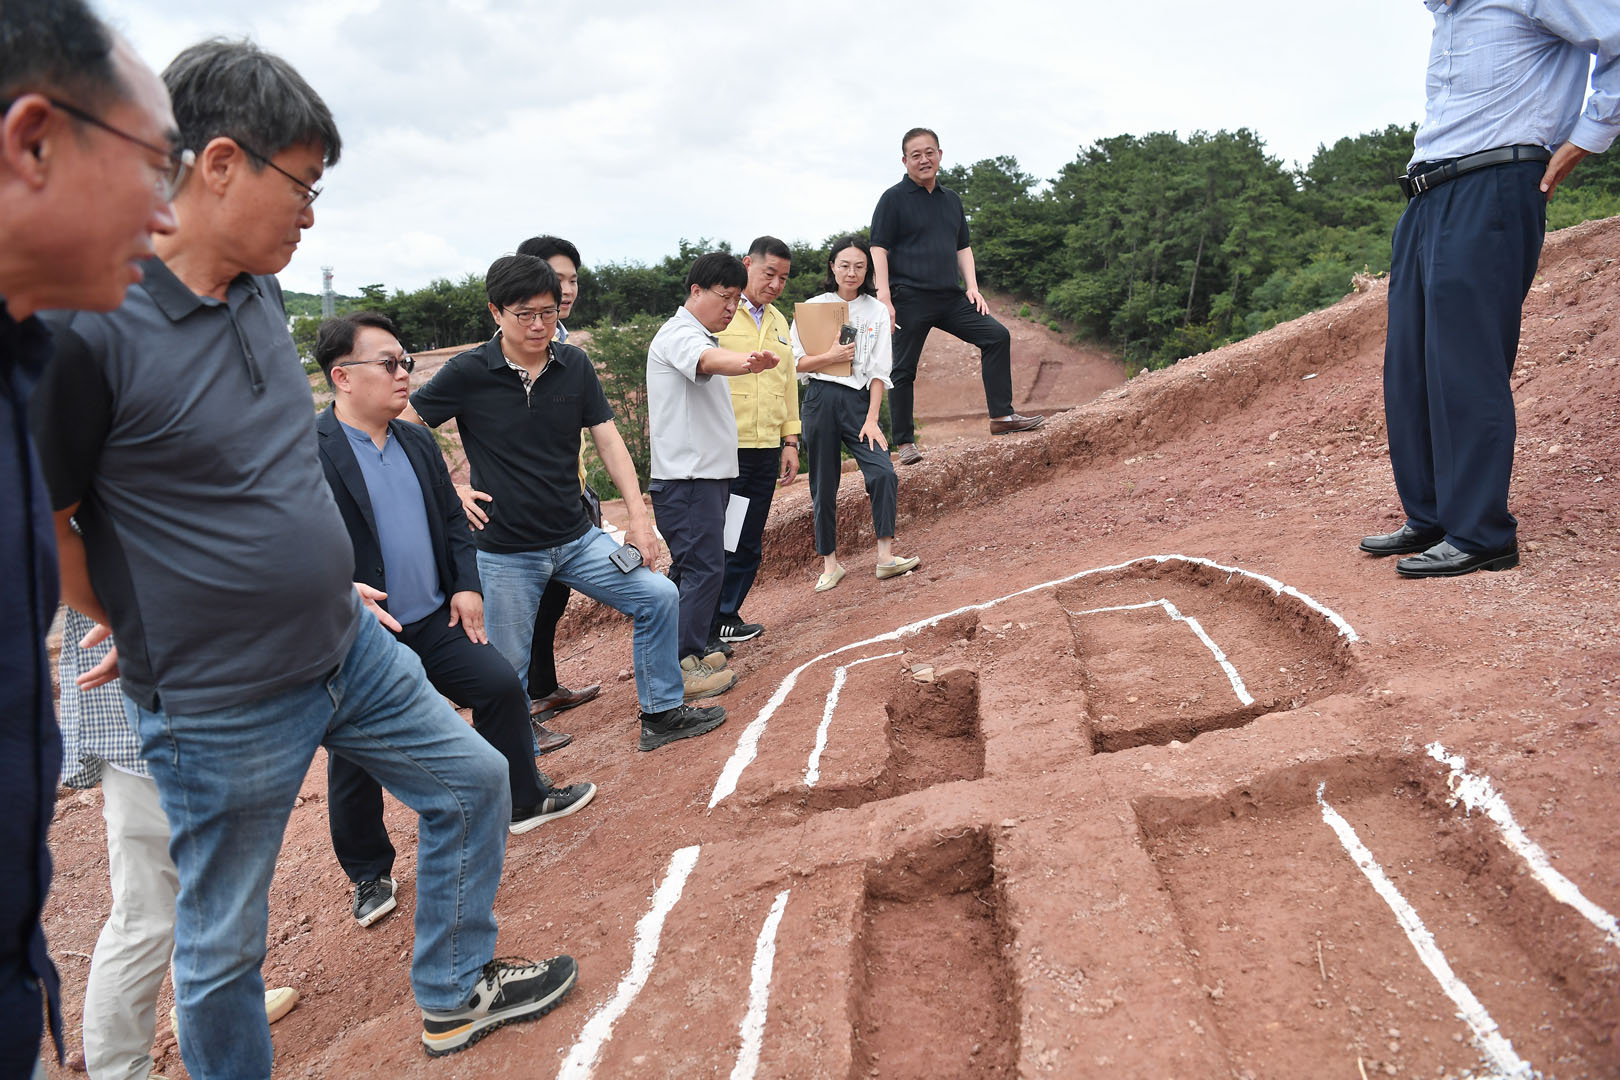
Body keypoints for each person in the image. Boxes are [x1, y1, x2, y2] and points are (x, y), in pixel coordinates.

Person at [29, 41, 576, 1073]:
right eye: (303, 185)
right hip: (219, 695)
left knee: (471, 781)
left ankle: (454, 990)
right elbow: (44, 519)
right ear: (219, 163)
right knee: (224, 944)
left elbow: (266, 470)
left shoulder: (255, 294)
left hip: (347, 643)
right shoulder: (87, 324)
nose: (310, 217)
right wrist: (132, 618)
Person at [0, 2, 180, 1071]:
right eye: (151, 166)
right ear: (33, 143)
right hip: (132, 693)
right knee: (147, 896)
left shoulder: (23, 375)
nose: (162, 215)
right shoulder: (70, 372)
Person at [315, 311, 597, 928]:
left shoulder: (416, 441)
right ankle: (369, 873)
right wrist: (333, 592)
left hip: (432, 619)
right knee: (355, 751)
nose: (404, 374)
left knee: (498, 685)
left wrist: (466, 587)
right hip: (363, 633)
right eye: (388, 363)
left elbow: (451, 521)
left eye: (406, 362)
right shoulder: (308, 453)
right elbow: (285, 544)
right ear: (343, 376)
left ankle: (524, 799)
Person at [409, 254, 730, 751]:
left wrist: (639, 519)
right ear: (495, 312)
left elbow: (609, 440)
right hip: (506, 551)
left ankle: (662, 713)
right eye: (525, 314)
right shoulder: (468, 371)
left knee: (658, 596)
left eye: (548, 312)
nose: (539, 325)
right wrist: (448, 489)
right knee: (506, 667)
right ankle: (515, 758)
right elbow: (404, 425)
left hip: (578, 539)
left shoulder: (573, 364)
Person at [1360, 3, 1618, 577]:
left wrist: (1589, 136)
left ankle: (1481, 533)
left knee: (1466, 362)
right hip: (1426, 194)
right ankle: (1432, 516)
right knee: (1411, 366)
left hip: (1494, 183)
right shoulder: (1448, 16)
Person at [56, 607, 300, 1080]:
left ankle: (214, 1017)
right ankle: (118, 1068)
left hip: (189, 719)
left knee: (213, 895)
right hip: (149, 731)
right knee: (146, 913)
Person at [647, 252, 781, 695]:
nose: (731, 307)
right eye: (725, 297)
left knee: (698, 567)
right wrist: (747, 362)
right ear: (696, 291)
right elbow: (706, 361)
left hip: (704, 477)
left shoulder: (699, 333)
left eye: (737, 299)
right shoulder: (680, 334)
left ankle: (684, 654)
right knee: (703, 569)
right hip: (688, 479)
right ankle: (680, 667)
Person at [870, 126, 1045, 463]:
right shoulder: (893, 199)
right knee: (903, 369)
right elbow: (879, 248)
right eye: (916, 155)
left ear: (939, 155)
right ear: (905, 161)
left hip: (950, 297)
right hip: (909, 297)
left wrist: (973, 288)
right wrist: (885, 297)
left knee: (996, 336)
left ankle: (1002, 416)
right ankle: (904, 443)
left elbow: (963, 246)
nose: (924, 159)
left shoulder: (951, 199)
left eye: (929, 152)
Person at [792, 236, 920, 591]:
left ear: (868, 271)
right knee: (823, 484)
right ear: (832, 267)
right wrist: (830, 358)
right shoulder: (813, 307)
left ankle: (885, 557)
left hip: (859, 402)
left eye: (860, 266)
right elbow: (796, 362)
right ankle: (830, 564)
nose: (852, 272)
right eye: (845, 265)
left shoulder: (876, 310)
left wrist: (872, 417)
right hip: (819, 399)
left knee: (883, 473)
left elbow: (880, 370)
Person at [710, 236, 800, 645]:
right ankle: (700, 623)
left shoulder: (779, 321)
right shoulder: (723, 316)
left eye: (783, 278)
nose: (776, 284)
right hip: (727, 447)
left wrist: (790, 441)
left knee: (747, 539)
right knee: (718, 539)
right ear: (747, 264)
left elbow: (788, 384)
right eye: (769, 274)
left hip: (765, 447)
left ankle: (726, 616)